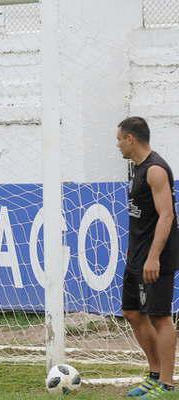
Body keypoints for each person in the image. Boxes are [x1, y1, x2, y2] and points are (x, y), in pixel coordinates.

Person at [116, 117, 178, 398]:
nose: (117, 145)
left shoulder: (155, 170)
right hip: (137, 255)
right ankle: (154, 374)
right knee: (132, 312)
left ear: (131, 139)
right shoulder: (135, 168)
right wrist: (135, 251)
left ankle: (166, 383)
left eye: (119, 139)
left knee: (160, 317)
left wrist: (153, 257)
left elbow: (167, 215)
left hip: (157, 257)